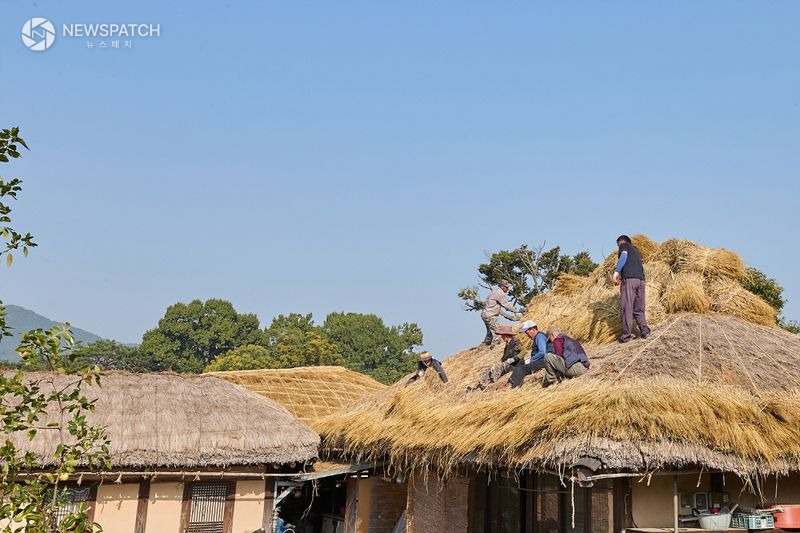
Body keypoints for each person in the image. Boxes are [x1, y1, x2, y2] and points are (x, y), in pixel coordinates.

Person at [613, 235, 651, 343]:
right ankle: (645, 330)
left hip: (630, 281)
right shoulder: (636, 252)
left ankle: (626, 336)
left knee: (627, 308)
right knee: (638, 309)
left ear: (622, 241)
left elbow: (623, 256)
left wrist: (616, 272)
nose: (618, 247)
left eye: (618, 244)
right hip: (641, 281)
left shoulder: (624, 245)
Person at [467, 324, 523, 392]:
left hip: (514, 365)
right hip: (507, 364)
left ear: (506, 335)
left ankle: (493, 385)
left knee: (498, 367)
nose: (501, 337)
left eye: (502, 335)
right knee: (488, 369)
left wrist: (513, 359)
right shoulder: (507, 344)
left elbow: (524, 352)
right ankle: (481, 386)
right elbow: (504, 357)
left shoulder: (516, 341)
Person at [480, 280, 524, 345]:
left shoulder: (495, 291)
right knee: (498, 332)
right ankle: (495, 346)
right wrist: (518, 310)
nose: (507, 289)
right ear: (502, 287)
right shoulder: (499, 293)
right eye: (506, 287)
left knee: (490, 331)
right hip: (490, 315)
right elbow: (506, 305)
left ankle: (485, 345)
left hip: (486, 314)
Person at [509, 320, 548, 388]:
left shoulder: (540, 337)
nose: (527, 335)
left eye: (527, 333)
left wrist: (531, 360)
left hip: (543, 361)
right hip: (540, 360)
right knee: (520, 363)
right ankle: (510, 382)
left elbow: (542, 352)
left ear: (533, 329)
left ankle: (514, 387)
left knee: (522, 368)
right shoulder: (537, 337)